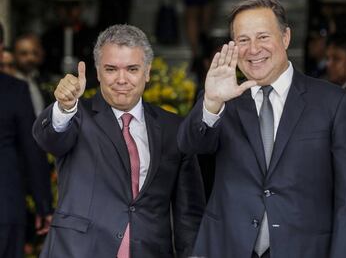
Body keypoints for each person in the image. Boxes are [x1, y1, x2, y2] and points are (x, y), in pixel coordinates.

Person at [178, 0, 346, 258]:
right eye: (243, 40)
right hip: (227, 248)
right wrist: (211, 102)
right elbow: (189, 146)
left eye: (263, 37)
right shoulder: (223, 99)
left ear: (286, 37)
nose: (253, 49)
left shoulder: (334, 103)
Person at [32, 24, 205, 258]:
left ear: (147, 71)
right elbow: (49, 139)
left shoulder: (174, 128)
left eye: (132, 69)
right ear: (98, 71)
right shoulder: (76, 115)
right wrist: (64, 107)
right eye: (111, 69)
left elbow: (188, 214)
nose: (121, 79)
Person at [0, 23, 52, 258]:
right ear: (2, 47)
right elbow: (32, 149)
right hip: (5, 205)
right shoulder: (15, 90)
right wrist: (43, 203)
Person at [13, 33, 49, 116]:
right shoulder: (8, 82)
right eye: (24, 53)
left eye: (35, 53)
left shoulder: (42, 80)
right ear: (14, 55)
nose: (30, 58)